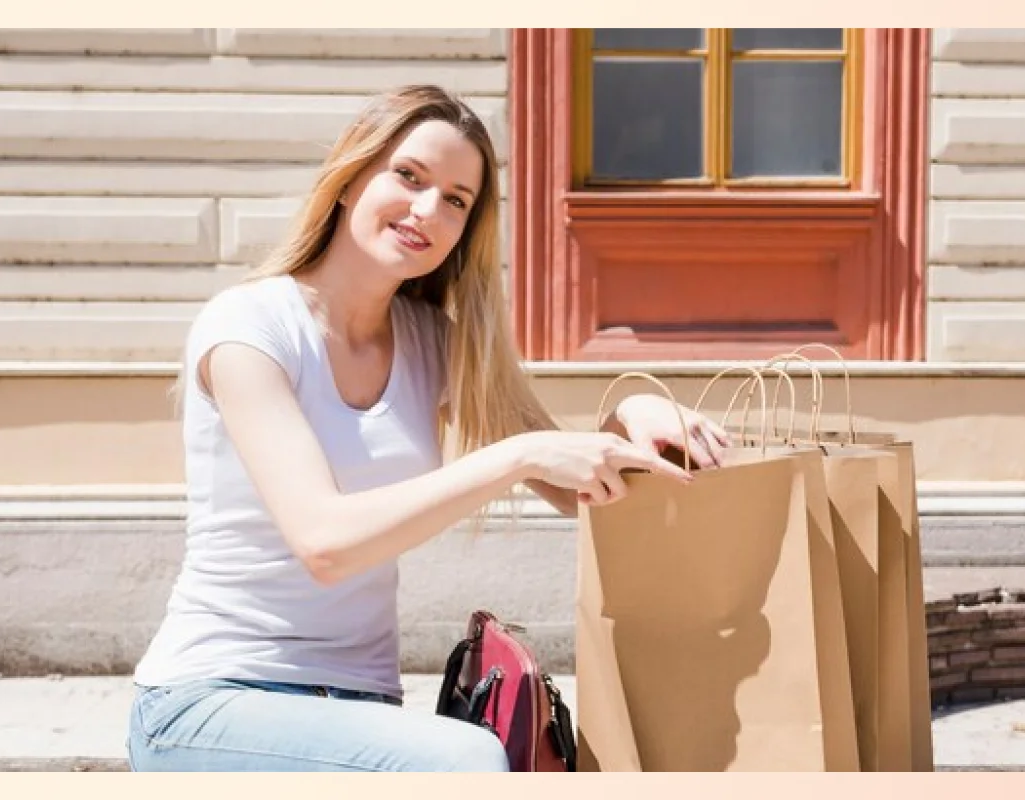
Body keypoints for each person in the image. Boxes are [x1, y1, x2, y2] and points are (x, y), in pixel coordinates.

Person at [126, 85, 731, 772]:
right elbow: (325, 543)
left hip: (357, 708)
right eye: (409, 176)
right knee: (466, 762)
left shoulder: (432, 343)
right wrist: (517, 457)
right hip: (210, 702)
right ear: (352, 176)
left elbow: (571, 487)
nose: (426, 210)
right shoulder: (249, 327)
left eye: (455, 200)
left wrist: (635, 414)